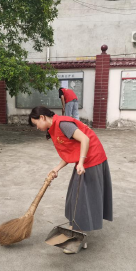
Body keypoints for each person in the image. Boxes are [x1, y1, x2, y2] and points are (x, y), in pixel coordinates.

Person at [29, 106, 112, 254]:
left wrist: (80, 162)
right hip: (83, 160)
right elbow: (70, 150)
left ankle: (80, 237)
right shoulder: (54, 128)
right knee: (74, 197)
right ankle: (76, 228)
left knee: (82, 200)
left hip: (91, 159)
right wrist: (57, 168)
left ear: (42, 117)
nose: (37, 128)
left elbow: (85, 139)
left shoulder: (63, 124)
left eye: (36, 124)